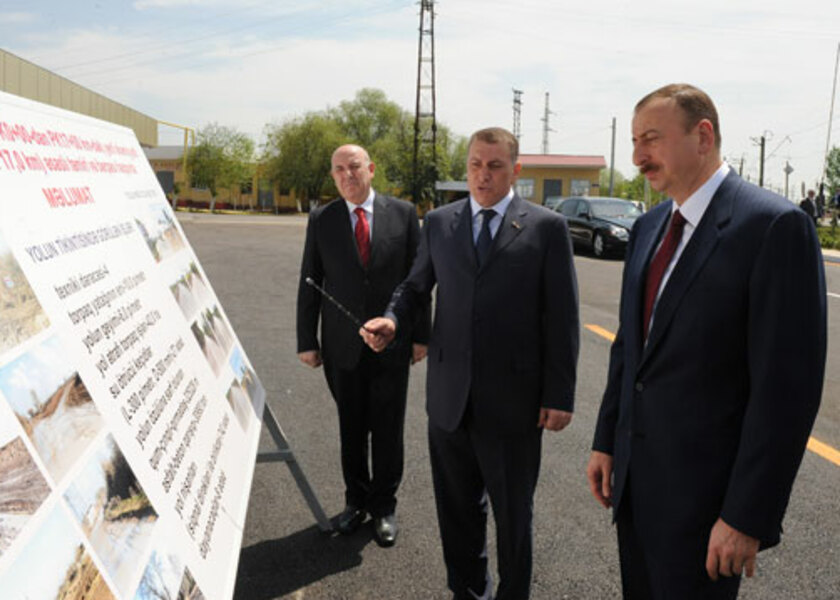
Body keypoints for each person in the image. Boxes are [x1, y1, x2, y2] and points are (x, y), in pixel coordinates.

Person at [586, 83, 826, 599]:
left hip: (708, 508)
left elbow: (786, 391)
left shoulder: (772, 227)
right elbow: (631, 348)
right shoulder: (650, 226)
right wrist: (608, 439)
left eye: (650, 139)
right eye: (634, 142)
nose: (637, 158)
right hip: (635, 491)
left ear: (703, 135)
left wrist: (746, 515)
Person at [361, 127, 579, 599]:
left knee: (513, 520)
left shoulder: (545, 227)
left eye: (495, 165)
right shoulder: (440, 222)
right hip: (449, 402)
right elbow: (415, 287)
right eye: (476, 164)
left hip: (514, 407)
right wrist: (394, 320)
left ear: (515, 170)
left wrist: (559, 395)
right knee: (458, 517)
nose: (483, 175)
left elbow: (562, 317)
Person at [296, 144, 430, 547]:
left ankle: (384, 507)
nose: (346, 175)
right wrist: (308, 340)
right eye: (338, 170)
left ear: (370, 169)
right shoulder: (322, 219)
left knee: (388, 430)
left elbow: (420, 280)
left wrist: (422, 334)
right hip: (342, 347)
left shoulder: (404, 215)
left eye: (353, 167)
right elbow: (310, 281)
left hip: (392, 345)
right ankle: (355, 503)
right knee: (351, 429)